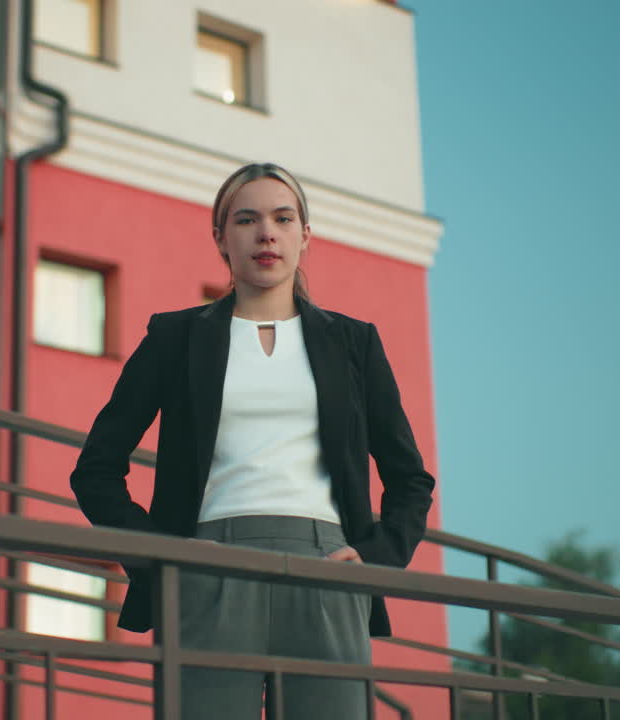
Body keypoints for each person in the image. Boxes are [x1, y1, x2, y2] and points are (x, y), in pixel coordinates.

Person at [70, 162, 436, 719]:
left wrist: (374, 559)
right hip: (206, 570)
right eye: (247, 219)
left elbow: (410, 479)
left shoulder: (355, 344)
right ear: (220, 237)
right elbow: (96, 468)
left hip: (328, 571)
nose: (266, 232)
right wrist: (161, 557)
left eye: (282, 218)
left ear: (304, 235)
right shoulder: (176, 337)